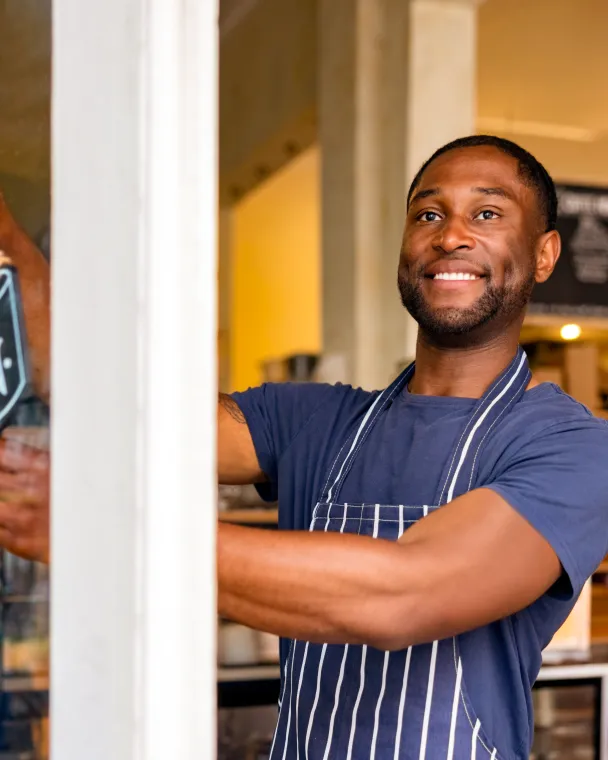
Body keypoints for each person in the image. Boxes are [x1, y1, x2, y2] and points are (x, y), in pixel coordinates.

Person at [217, 136, 608, 759]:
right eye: (428, 214)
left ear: (544, 254)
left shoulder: (574, 449)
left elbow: (403, 595)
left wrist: (109, 531)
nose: (450, 235)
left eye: (486, 213)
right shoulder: (312, 420)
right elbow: (128, 425)